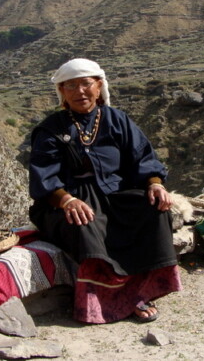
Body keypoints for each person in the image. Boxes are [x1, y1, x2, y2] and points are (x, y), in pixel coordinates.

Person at [28, 58, 182, 324]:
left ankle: (143, 290)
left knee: (154, 211)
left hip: (115, 194)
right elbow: (44, 177)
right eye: (71, 86)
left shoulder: (116, 119)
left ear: (98, 87)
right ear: (62, 92)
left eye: (86, 84)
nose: (80, 92)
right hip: (68, 199)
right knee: (84, 224)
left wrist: (155, 184)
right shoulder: (51, 129)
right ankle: (110, 299)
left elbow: (142, 157)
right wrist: (66, 200)